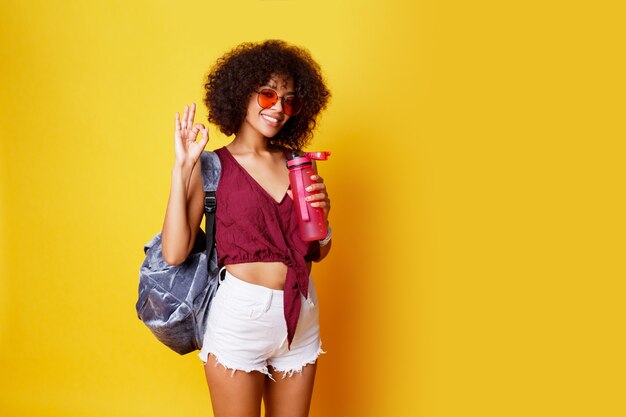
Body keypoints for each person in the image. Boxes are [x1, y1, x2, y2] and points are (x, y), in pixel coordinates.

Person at [160, 39, 332, 417]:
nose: (279, 109)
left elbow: (316, 249)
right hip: (240, 318)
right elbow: (174, 252)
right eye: (268, 94)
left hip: (301, 313)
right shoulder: (210, 165)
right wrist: (181, 168)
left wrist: (324, 219)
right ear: (241, 92)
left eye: (289, 100)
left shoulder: (299, 164)